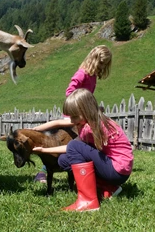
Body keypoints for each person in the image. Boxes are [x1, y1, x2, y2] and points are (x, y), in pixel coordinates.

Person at [33, 88, 134, 212]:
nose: (72, 121)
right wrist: (43, 150)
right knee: (64, 160)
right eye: (71, 117)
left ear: (87, 111)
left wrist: (44, 149)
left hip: (116, 169)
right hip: (119, 171)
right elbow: (72, 148)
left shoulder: (90, 127)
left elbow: (73, 146)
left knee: (73, 147)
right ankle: (108, 187)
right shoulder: (96, 122)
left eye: (75, 117)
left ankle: (88, 200)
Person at [33, 45, 112, 183]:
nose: (101, 67)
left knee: (83, 142)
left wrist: (93, 107)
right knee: (71, 142)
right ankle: (44, 171)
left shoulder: (93, 76)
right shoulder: (83, 73)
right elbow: (70, 91)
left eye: (104, 65)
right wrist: (79, 107)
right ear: (93, 59)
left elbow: (87, 96)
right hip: (75, 114)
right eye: (100, 63)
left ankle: (82, 167)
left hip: (84, 114)